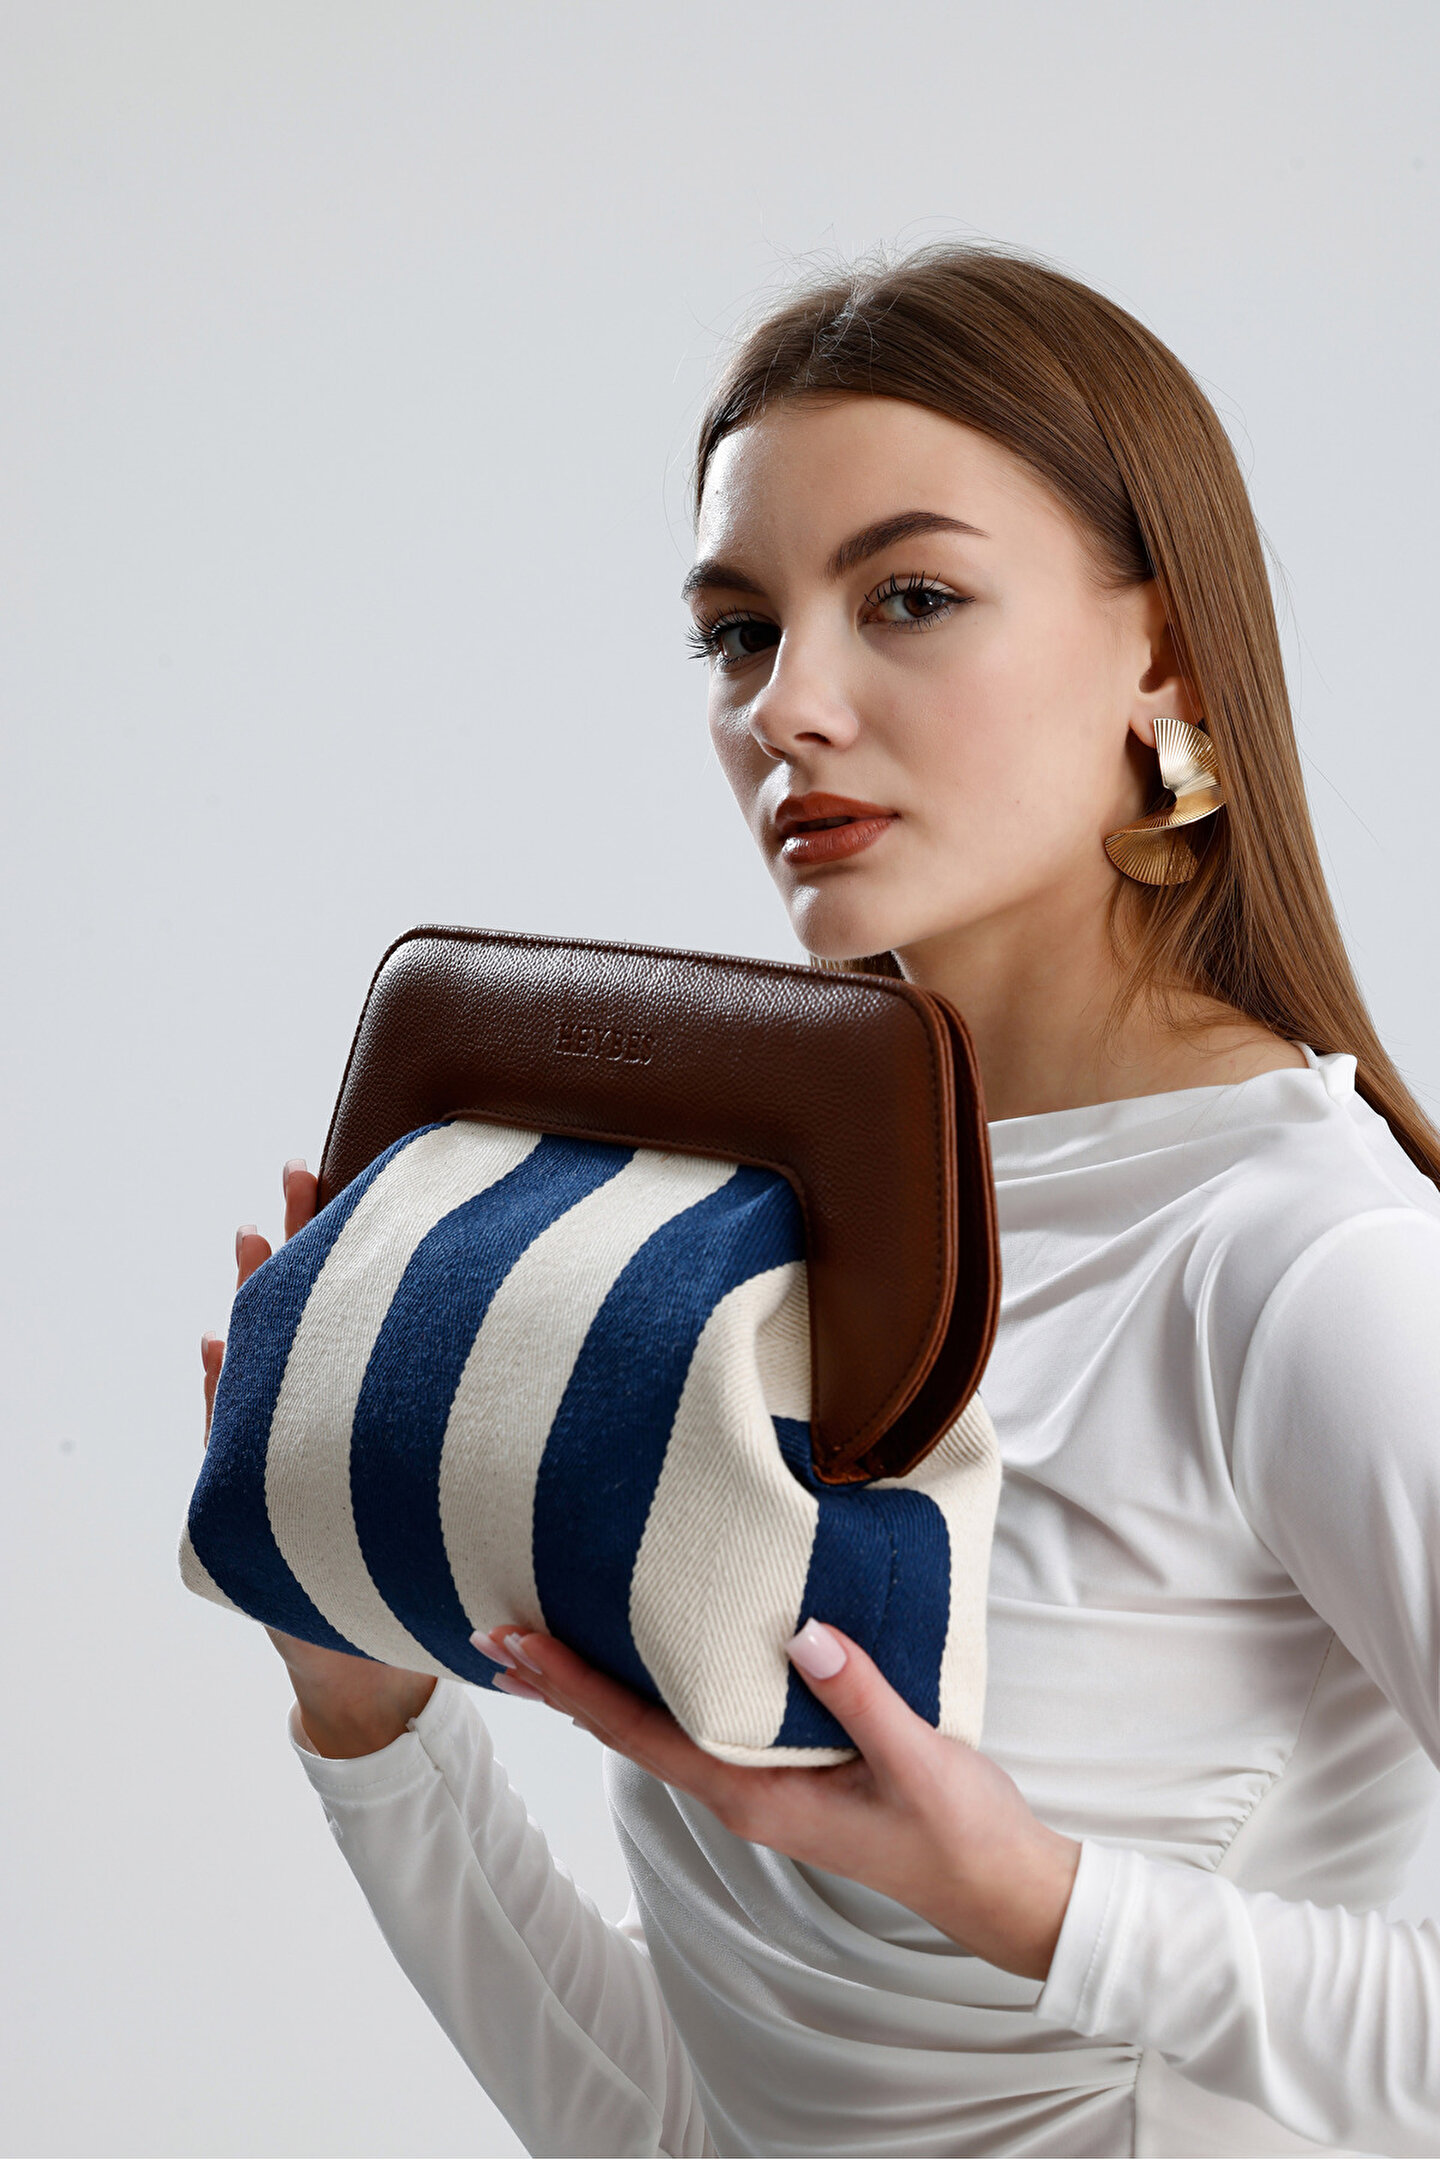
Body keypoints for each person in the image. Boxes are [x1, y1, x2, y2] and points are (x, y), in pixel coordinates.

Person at [203, 247, 1440, 2157]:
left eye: (910, 599)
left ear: (1169, 659)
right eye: (737, 631)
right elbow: (696, 2124)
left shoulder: (1308, 1273)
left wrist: (1040, 1904)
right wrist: (367, 1711)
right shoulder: (752, 1235)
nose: (789, 706)